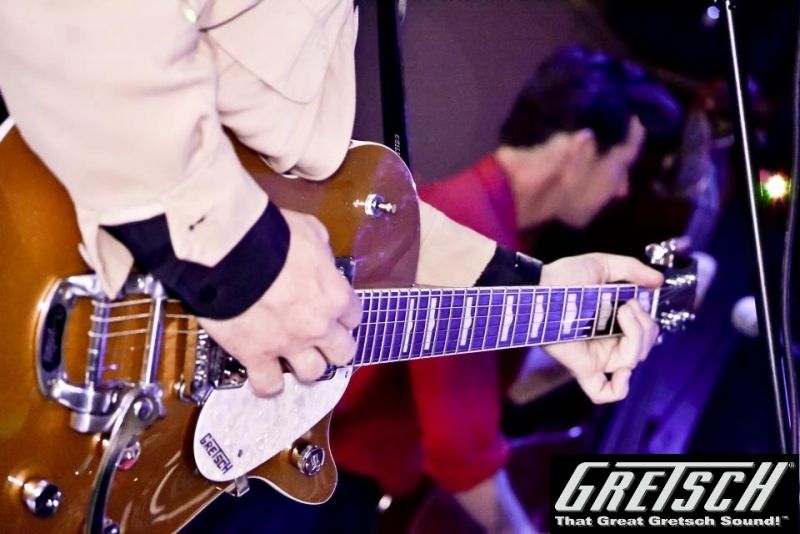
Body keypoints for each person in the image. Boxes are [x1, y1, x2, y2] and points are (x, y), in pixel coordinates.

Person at [0, 3, 660, 532]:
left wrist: (541, 292)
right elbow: (74, 20)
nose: (626, 190)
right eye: (626, 166)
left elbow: (326, 198)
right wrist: (243, 264)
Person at [328, 45, 682, 533]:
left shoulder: (492, 225)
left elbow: (500, 382)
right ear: (582, 150)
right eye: (624, 165)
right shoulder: (473, 227)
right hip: (327, 495)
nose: (623, 189)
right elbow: (461, 454)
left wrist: (595, 334)